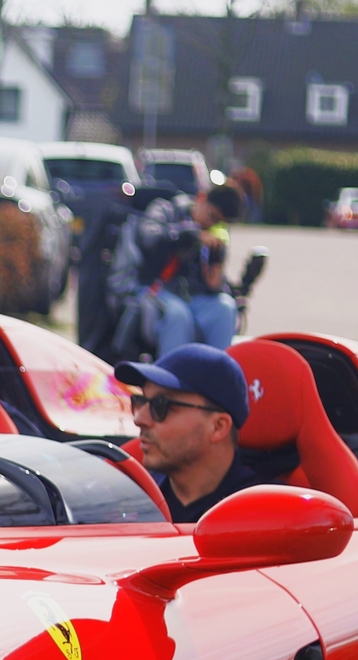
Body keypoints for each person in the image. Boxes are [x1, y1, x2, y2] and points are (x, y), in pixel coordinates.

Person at [113, 343, 268, 523]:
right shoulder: (133, 502)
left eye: (161, 405)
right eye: (140, 401)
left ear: (218, 426)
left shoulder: (261, 516)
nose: (140, 419)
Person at [102, 182, 243, 360]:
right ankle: (169, 382)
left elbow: (214, 281)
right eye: (212, 216)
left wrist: (215, 284)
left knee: (225, 308)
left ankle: (216, 376)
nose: (211, 224)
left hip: (193, 296)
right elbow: (150, 238)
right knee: (177, 316)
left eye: (219, 223)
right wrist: (192, 234)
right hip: (155, 289)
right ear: (201, 199)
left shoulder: (214, 235)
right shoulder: (166, 209)